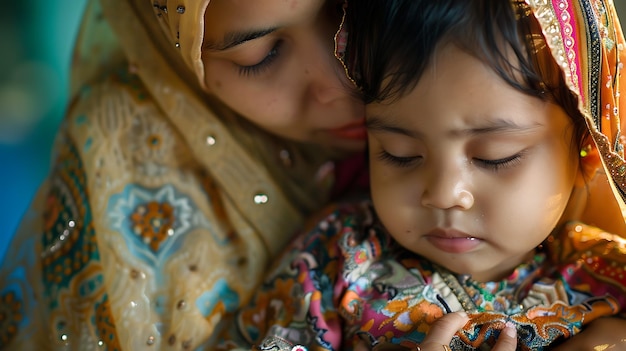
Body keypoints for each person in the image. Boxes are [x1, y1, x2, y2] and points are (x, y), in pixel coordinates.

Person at [217, 0, 626, 350]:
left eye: (494, 157)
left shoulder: (609, 277)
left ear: (588, 153)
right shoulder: (336, 259)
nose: (444, 194)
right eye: (401, 155)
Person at [0, 0, 374, 349]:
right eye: (260, 56)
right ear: (176, 51)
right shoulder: (132, 158)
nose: (344, 82)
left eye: (355, 13)